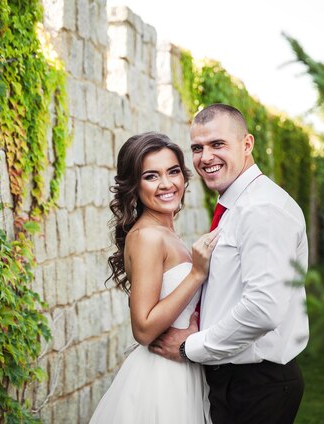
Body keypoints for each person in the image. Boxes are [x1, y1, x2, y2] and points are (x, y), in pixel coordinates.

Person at [149, 104, 310, 424]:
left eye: (217, 144)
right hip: (236, 381)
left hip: (256, 385)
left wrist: (189, 347)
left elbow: (263, 308)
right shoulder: (239, 205)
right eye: (197, 148)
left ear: (247, 144)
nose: (205, 157)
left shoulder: (261, 209)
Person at [89, 132, 219, 423]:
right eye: (151, 176)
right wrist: (197, 274)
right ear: (134, 187)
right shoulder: (148, 236)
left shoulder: (165, 233)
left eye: (173, 171)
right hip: (161, 378)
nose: (166, 184)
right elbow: (144, 328)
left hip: (182, 366)